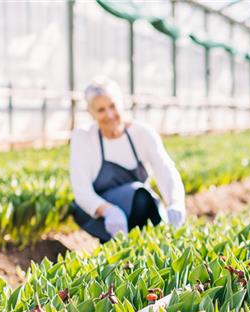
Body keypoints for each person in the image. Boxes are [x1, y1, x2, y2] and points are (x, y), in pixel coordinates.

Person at [69, 77, 186, 243]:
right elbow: (81, 190)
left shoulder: (142, 133)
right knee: (136, 194)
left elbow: (164, 168)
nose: (109, 115)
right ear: (91, 113)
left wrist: (175, 202)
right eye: (101, 110)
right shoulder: (83, 137)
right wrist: (108, 211)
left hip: (138, 209)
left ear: (121, 103)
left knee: (141, 196)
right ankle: (110, 245)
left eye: (112, 106)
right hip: (98, 215)